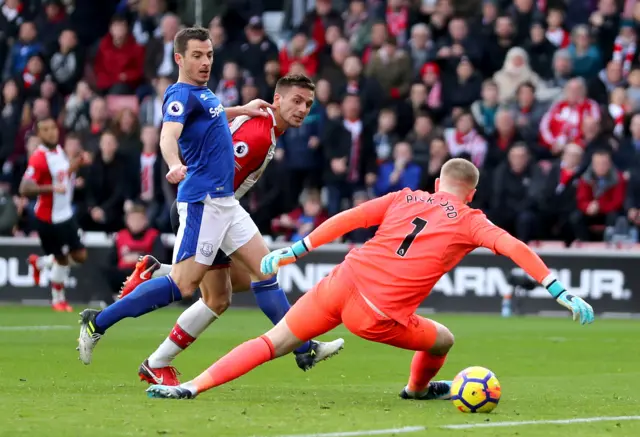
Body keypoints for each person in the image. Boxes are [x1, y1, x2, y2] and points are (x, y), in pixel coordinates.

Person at [145, 158, 595, 400]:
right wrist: (559, 290)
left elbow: (350, 217)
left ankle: (191, 385)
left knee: (272, 342)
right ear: (470, 192)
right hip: (376, 313)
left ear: (438, 181)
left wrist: (296, 250)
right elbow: (516, 247)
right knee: (443, 340)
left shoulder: (405, 195)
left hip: (340, 282)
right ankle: (416, 390)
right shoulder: (472, 220)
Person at [119, 75, 344, 384]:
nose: (303, 109)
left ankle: (158, 279)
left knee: (224, 294)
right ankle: (304, 346)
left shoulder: (266, 127)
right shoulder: (258, 134)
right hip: (206, 209)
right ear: (276, 100)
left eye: (308, 104)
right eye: (296, 100)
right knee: (257, 277)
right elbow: (219, 172)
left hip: (217, 211)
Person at [77, 27, 275, 364]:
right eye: (197, 55)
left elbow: (210, 118)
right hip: (202, 201)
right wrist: (173, 163)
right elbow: (168, 136)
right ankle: (98, 322)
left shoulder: (203, 93)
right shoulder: (181, 95)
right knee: (184, 285)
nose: (205, 62)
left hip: (225, 202)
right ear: (179, 58)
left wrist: (241, 109)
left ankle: (304, 346)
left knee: (256, 275)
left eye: (209, 55)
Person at [20, 117, 91, 312]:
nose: (51, 132)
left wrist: (77, 164)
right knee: (61, 258)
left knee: (80, 256)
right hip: (47, 219)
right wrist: (50, 188)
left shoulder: (58, 151)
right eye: (45, 129)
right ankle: (58, 299)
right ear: (39, 134)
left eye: (53, 128)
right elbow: (24, 188)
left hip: (65, 215)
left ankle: (40, 262)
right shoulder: (38, 157)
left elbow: (62, 174)